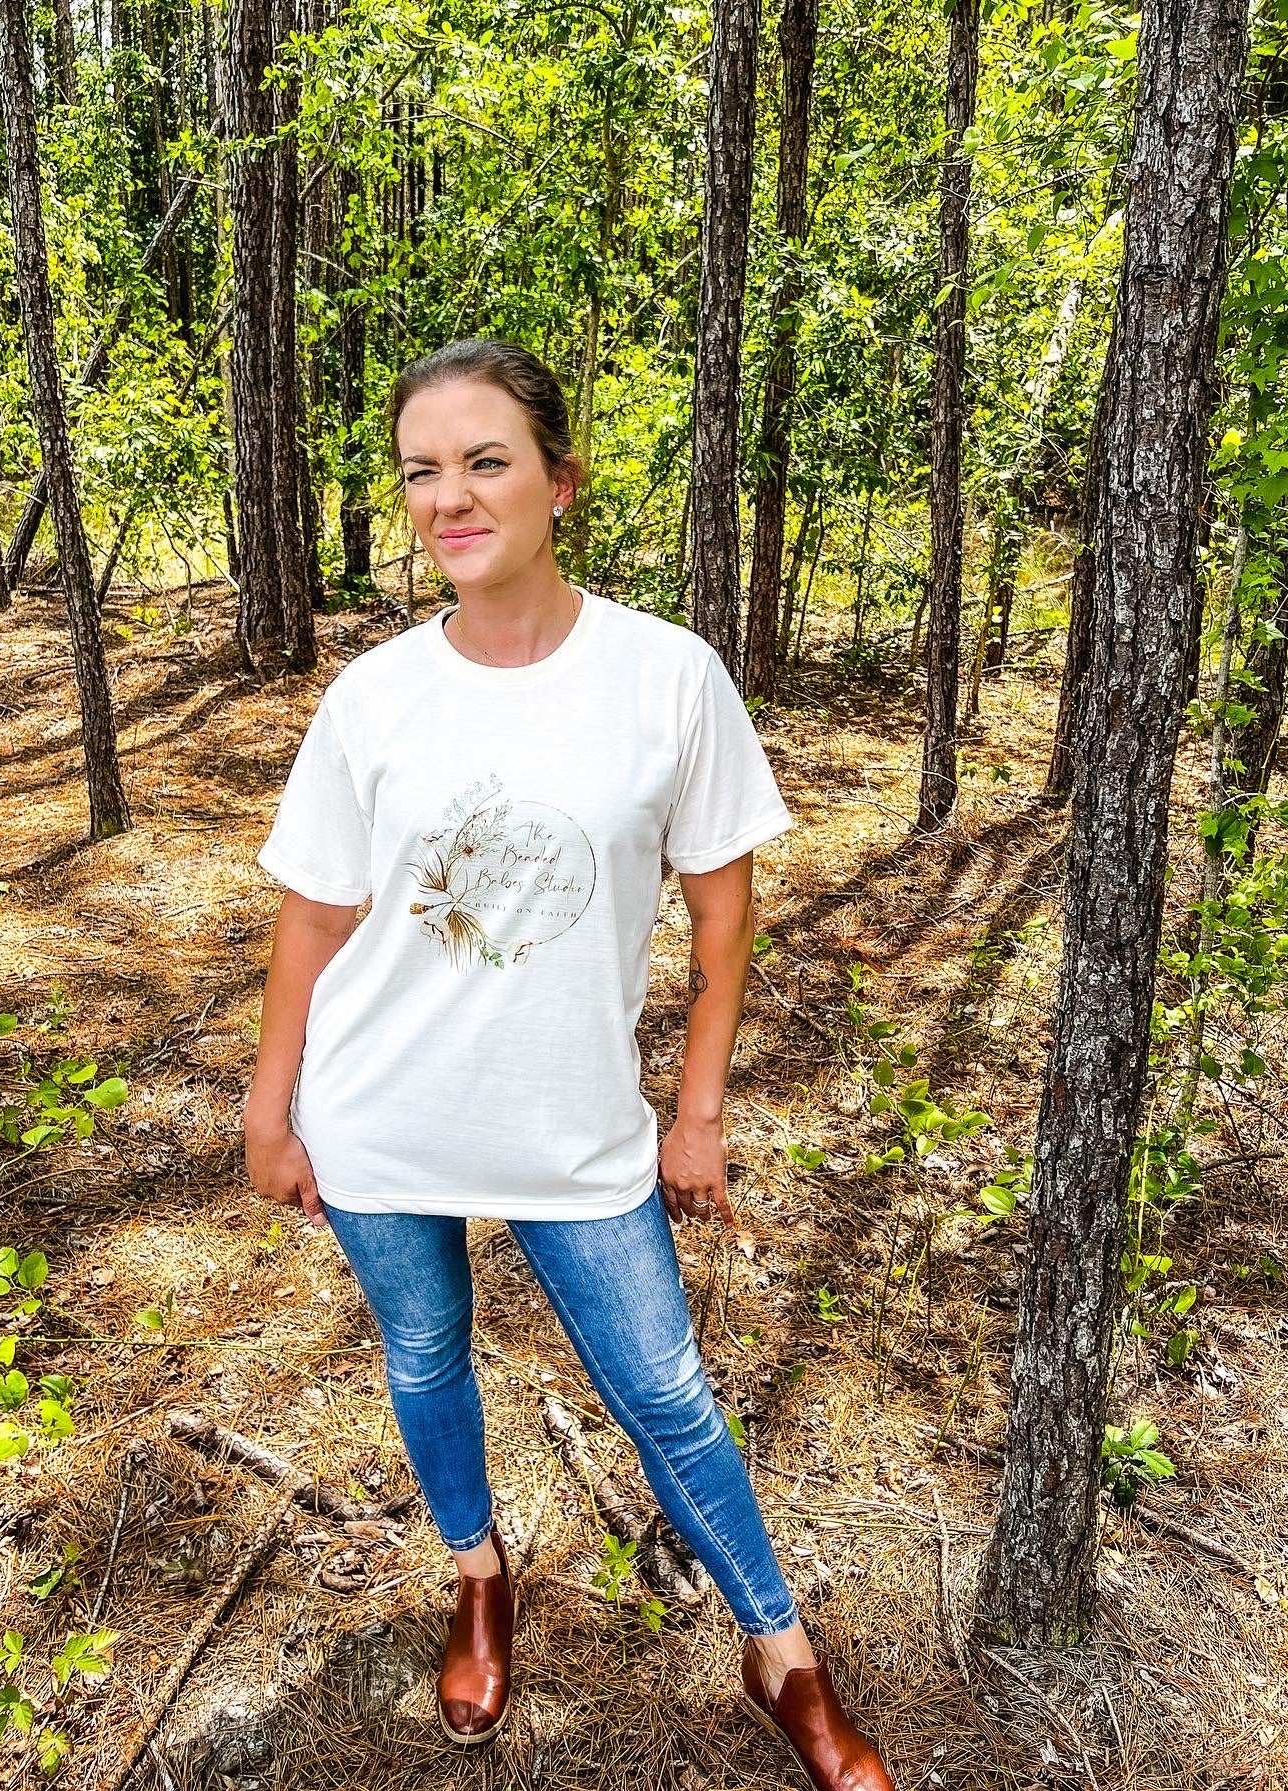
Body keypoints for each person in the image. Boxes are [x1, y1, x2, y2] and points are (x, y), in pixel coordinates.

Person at [243, 337, 894, 1791]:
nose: (450, 498)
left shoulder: (666, 678)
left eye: (486, 461)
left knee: (664, 1393)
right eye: (423, 470)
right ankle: (478, 1572)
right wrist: (270, 1097)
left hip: (574, 1125)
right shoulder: (373, 697)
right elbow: (315, 910)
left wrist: (700, 1112)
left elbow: (726, 920)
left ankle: (779, 1647)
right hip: (380, 1114)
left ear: (559, 484)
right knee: (424, 1353)